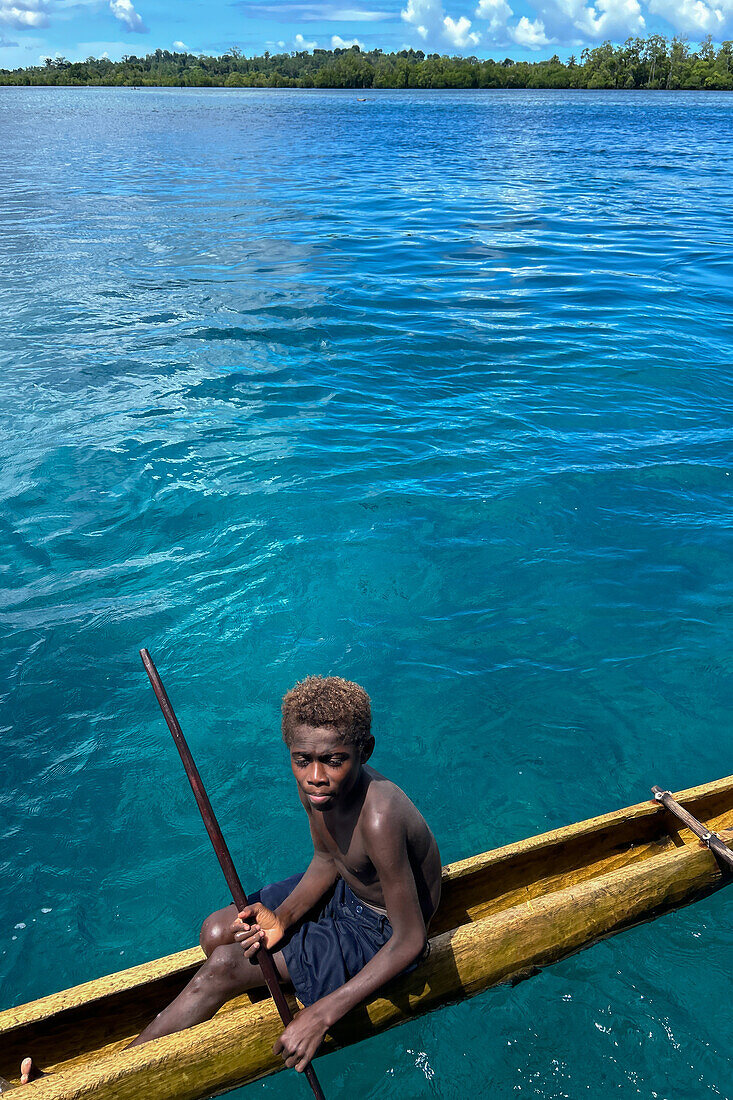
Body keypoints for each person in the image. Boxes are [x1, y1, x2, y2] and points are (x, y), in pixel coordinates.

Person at [17, 675, 441, 1085]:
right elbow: (327, 859)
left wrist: (322, 1014)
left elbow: (411, 940)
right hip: (348, 889)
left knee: (222, 966)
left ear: (364, 751)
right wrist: (284, 918)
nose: (315, 775)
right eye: (302, 760)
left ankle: (105, 1081)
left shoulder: (380, 817)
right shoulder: (318, 788)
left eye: (334, 760)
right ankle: (272, 978)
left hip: (382, 927)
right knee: (217, 931)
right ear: (291, 752)